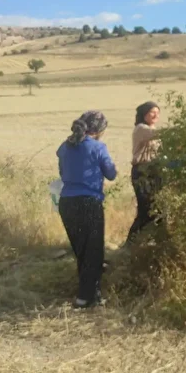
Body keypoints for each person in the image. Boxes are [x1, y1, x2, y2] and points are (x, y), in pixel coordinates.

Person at [56, 110, 117, 308]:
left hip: (66, 202)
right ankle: (85, 297)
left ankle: (91, 291)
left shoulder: (65, 146)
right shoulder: (98, 147)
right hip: (89, 202)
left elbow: (62, 172)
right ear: (99, 130)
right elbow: (111, 174)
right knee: (93, 251)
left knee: (81, 250)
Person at [124, 101, 162, 249]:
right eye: (152, 112)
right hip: (142, 172)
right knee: (146, 209)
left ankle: (151, 244)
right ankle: (130, 244)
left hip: (154, 171)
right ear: (144, 114)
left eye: (157, 113)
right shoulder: (141, 129)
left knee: (157, 209)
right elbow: (159, 134)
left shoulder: (152, 129)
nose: (155, 115)